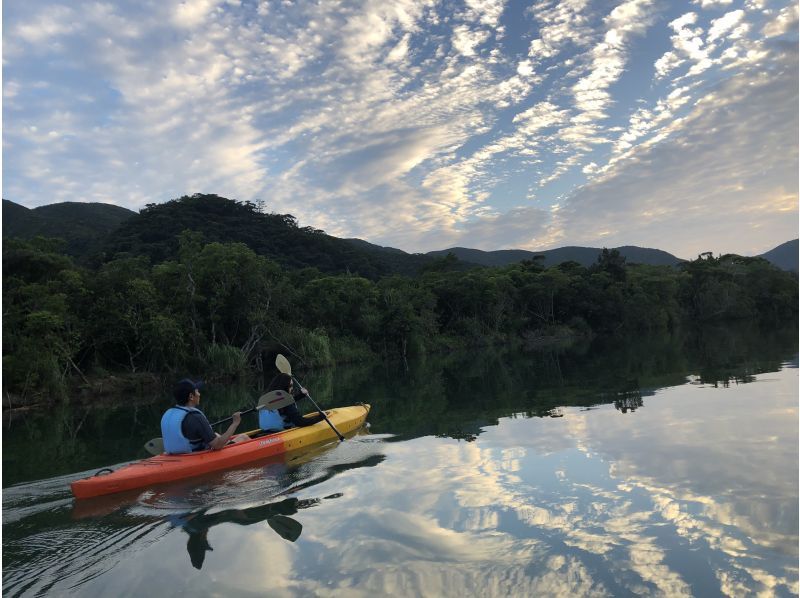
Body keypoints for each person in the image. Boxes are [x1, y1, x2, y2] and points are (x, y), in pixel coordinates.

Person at [161, 378, 242, 454]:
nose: (199, 394)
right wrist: (235, 423)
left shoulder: (168, 414)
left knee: (216, 434)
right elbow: (218, 445)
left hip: (175, 455)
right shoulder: (196, 417)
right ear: (191, 396)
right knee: (243, 437)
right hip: (195, 457)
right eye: (197, 391)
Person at [258, 373, 325, 431]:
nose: (292, 388)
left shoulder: (266, 399)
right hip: (281, 432)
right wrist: (320, 418)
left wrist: (301, 395)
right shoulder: (286, 402)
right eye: (290, 386)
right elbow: (300, 422)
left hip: (266, 431)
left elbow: (283, 404)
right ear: (284, 387)